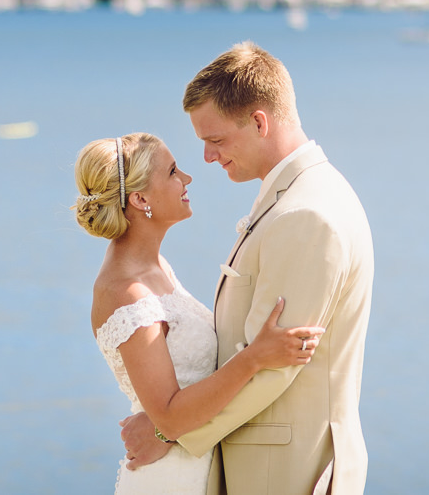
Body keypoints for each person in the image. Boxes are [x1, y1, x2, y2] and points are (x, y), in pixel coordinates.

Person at [121, 41, 375, 495]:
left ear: (259, 121)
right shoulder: (296, 196)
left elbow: (274, 365)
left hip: (285, 474)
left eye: (215, 140)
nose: (207, 158)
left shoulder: (306, 215)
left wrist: (168, 430)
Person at [78, 132, 326, 495]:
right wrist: (255, 357)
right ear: (140, 198)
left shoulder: (155, 267)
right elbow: (168, 415)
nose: (187, 179)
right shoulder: (126, 293)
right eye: (173, 172)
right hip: (173, 479)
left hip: (201, 464)